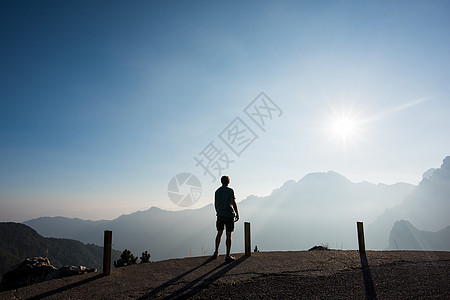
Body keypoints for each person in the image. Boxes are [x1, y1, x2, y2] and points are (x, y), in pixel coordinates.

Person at [213, 175, 239, 262]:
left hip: (220, 215)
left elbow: (215, 204)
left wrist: (218, 212)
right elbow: (233, 202)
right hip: (229, 215)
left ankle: (216, 252)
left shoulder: (217, 191)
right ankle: (227, 255)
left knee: (219, 233)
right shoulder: (230, 191)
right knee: (228, 235)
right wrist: (237, 213)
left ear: (221, 181)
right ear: (228, 182)